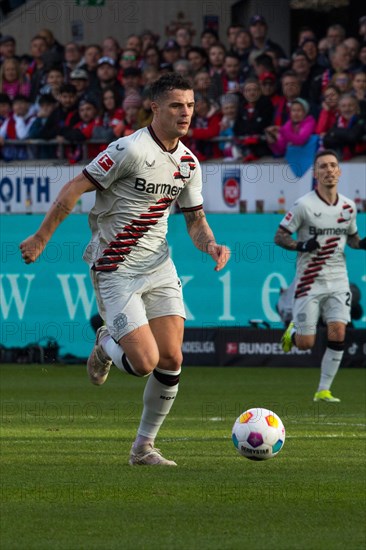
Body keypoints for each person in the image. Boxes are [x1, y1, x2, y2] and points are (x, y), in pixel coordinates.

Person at [19, 73, 230, 466]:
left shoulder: (188, 163)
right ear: (154, 107)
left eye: (190, 105)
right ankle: (104, 342)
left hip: (160, 267)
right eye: (176, 105)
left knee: (172, 359)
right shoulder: (127, 150)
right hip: (116, 268)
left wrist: (211, 244)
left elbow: (195, 222)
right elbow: (73, 189)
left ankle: (143, 449)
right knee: (143, 363)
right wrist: (40, 238)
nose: (185, 112)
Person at [275, 149, 366, 402]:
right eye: (323, 167)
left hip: (338, 279)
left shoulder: (348, 207)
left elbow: (353, 239)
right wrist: (301, 246)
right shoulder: (304, 205)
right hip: (309, 281)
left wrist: (363, 243)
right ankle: (292, 334)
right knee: (306, 343)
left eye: (332, 166)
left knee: (338, 332)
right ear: (315, 174)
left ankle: (323, 390)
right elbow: (280, 236)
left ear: (339, 171)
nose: (328, 170)